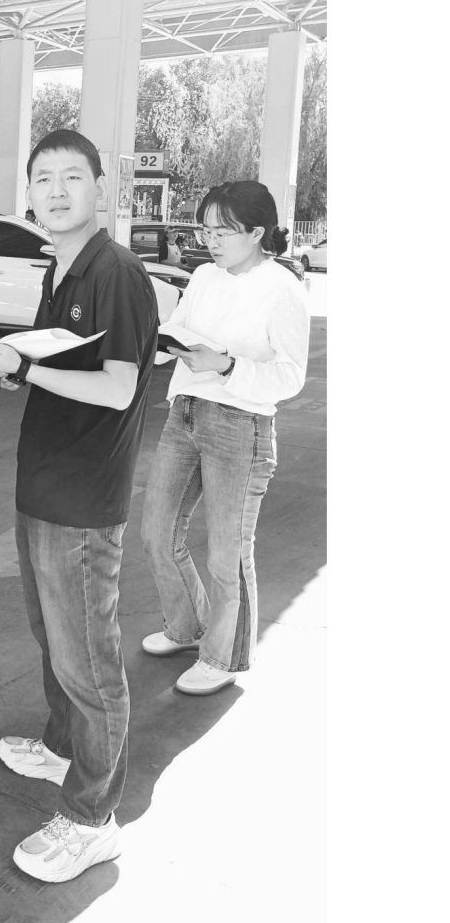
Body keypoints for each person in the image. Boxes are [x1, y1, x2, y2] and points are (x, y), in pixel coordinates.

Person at [0, 129, 159, 885]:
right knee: (53, 638)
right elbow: (63, 362)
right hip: (45, 484)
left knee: (89, 662)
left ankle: (92, 818)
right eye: (42, 177)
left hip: (83, 497)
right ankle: (62, 746)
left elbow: (117, 385)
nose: (55, 190)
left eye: (71, 176)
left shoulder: (116, 272)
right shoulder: (62, 267)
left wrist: (24, 370)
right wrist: (11, 366)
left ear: (100, 188)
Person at [140, 181, 310, 694]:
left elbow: (290, 375)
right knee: (156, 532)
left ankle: (224, 657)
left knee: (227, 554)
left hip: (241, 426)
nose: (210, 241)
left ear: (257, 232)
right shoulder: (203, 277)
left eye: (222, 232)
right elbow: (178, 327)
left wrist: (227, 365)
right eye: (206, 230)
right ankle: (188, 627)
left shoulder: (282, 289)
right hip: (185, 413)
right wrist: (162, 342)